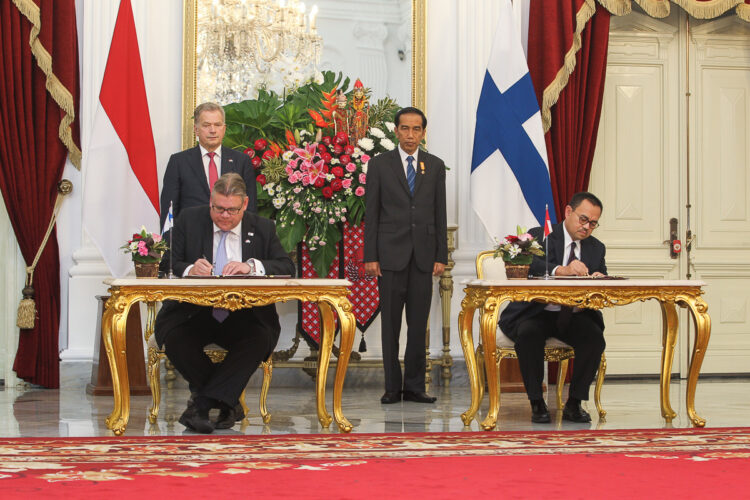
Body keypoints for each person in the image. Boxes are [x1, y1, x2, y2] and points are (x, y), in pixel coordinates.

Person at [154, 173, 294, 433]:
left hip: (244, 316)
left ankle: (203, 404)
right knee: (173, 337)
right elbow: (166, 264)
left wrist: (251, 266)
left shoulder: (262, 227)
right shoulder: (189, 220)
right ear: (210, 203)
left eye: (232, 210)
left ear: (245, 204)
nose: (225, 216)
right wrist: (189, 269)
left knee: (259, 338)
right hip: (193, 313)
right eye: (219, 209)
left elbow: (287, 266)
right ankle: (228, 404)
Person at [499, 192, 607, 424]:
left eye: (593, 223)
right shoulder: (541, 235)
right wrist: (562, 270)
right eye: (583, 219)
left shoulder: (597, 248)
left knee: (595, 338)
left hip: (574, 315)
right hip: (537, 312)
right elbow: (529, 263)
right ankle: (537, 403)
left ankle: (575, 403)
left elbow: (600, 280)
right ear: (568, 212)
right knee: (529, 335)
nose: (587, 227)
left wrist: (599, 278)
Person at [364, 106, 447, 405]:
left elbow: (439, 213)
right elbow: (371, 213)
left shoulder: (435, 166)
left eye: (416, 129)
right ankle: (391, 387)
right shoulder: (379, 165)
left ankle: (414, 386)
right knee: (390, 326)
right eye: (405, 128)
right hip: (389, 256)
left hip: (424, 257)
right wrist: (370, 255)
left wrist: (441, 254)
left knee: (417, 323)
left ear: (423, 133)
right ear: (396, 131)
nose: (410, 135)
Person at [159, 102, 257, 232]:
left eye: (217, 125)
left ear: (224, 128)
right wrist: (170, 247)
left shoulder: (242, 161)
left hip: (232, 237)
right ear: (196, 129)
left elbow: (250, 207)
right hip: (191, 238)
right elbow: (169, 209)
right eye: (206, 125)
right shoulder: (178, 162)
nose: (213, 130)